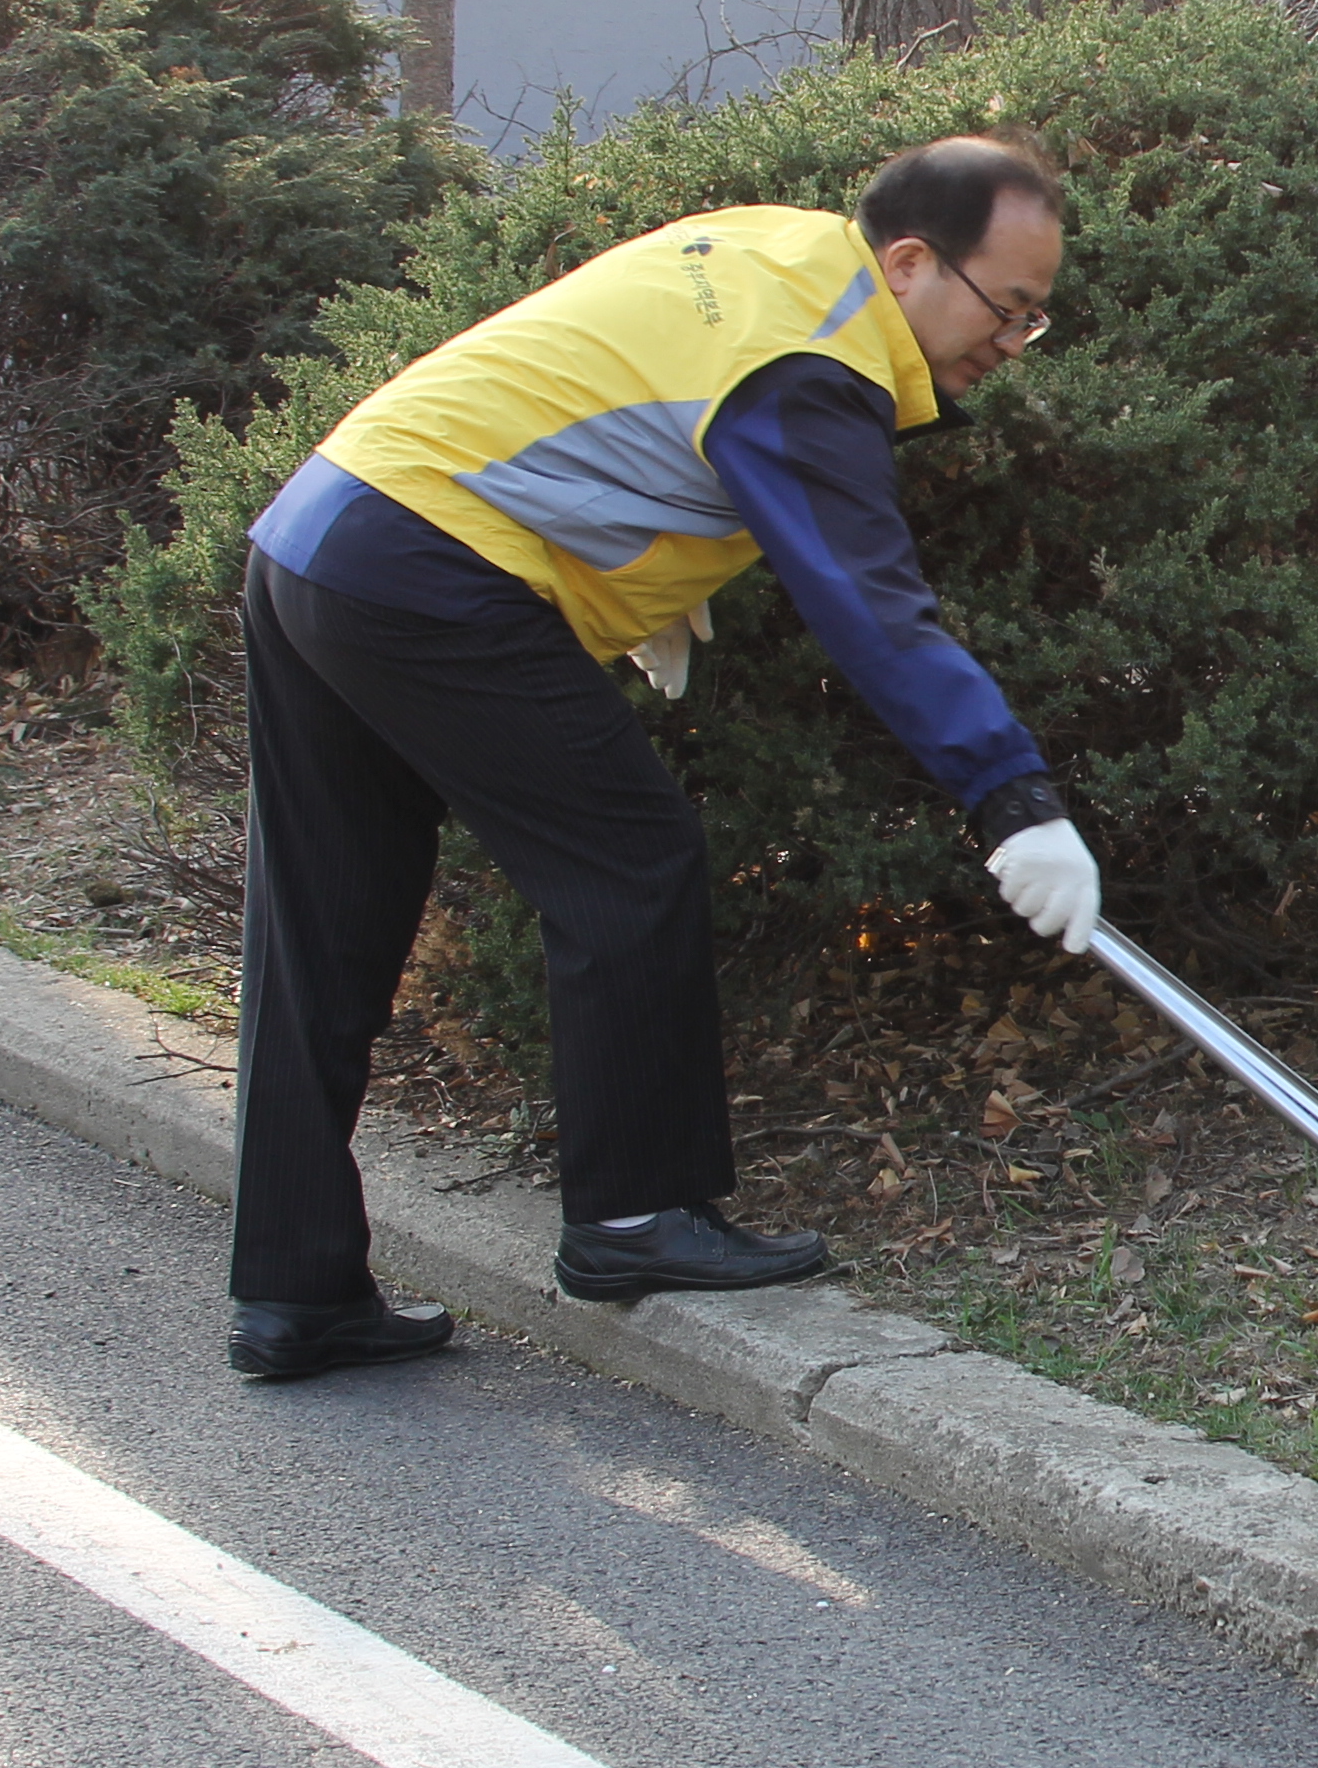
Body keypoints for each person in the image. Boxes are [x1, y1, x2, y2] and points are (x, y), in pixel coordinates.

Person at [218, 134, 1101, 1380]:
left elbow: (625, 400)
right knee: (631, 859)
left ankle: (294, 1293)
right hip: (432, 567)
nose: (1011, 345)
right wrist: (1013, 796)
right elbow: (871, 604)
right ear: (912, 263)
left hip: (324, 533)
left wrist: (644, 580)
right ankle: (635, 1217)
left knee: (321, 926)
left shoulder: (780, 252)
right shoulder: (815, 357)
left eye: (1034, 321)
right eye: (1006, 308)